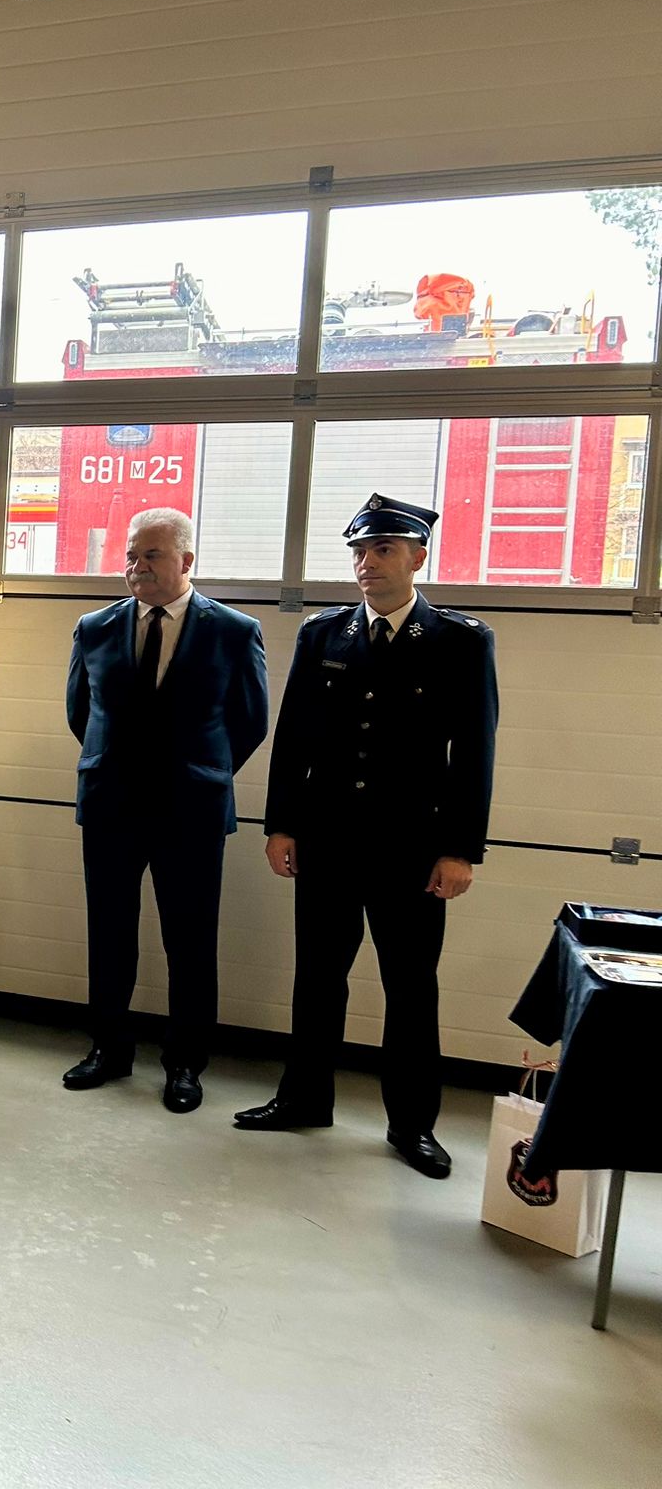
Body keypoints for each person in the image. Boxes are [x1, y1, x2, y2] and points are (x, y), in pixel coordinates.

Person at [234, 493, 498, 1178]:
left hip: (412, 848)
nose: (366, 563)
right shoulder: (324, 634)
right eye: (359, 551)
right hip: (327, 839)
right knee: (318, 978)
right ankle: (303, 1097)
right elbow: (294, 738)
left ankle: (412, 1124)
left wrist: (460, 849)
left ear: (417, 557)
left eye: (382, 549)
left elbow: (474, 752)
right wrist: (281, 824)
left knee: (410, 988)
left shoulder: (460, 641)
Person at [62, 508, 270, 1111]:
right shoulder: (95, 627)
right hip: (112, 804)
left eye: (151, 555)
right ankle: (109, 1049)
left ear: (186, 561)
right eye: (131, 555)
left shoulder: (233, 631)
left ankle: (184, 1064)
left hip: (191, 810)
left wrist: (200, 772)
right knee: (109, 934)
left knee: (190, 941)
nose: (137, 566)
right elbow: (81, 713)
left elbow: (250, 723)